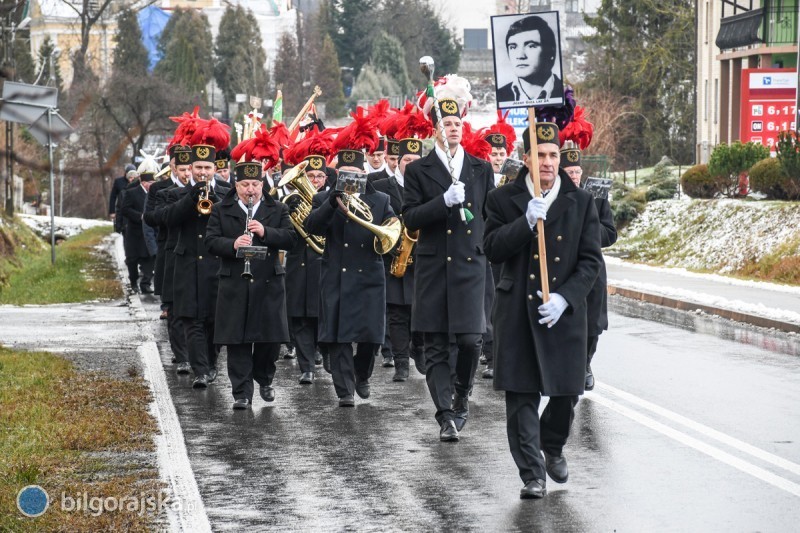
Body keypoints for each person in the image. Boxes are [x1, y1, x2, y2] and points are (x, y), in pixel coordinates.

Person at [483, 123, 602, 499]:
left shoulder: (580, 201)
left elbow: (590, 261)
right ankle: (531, 473)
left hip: (563, 312)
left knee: (566, 392)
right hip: (516, 310)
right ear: (526, 159)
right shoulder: (504, 199)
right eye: (540, 155)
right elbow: (492, 249)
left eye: (553, 155)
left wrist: (566, 297)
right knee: (521, 395)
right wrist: (524, 222)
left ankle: (552, 445)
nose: (548, 162)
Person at [402, 97, 495, 442]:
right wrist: (442, 203)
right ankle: (445, 416)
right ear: (436, 130)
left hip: (471, 267)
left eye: (458, 124)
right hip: (434, 267)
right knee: (437, 345)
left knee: (471, 341)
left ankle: (461, 394)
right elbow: (410, 218)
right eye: (447, 124)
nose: (453, 128)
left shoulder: (481, 169)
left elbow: (493, 216)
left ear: (463, 128)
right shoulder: (418, 171)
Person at [305, 135, 396, 407]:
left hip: (369, 275)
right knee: (339, 335)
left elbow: (390, 232)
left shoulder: (380, 199)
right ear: (338, 175)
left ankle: (362, 374)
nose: (351, 180)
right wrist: (332, 203)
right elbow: (313, 227)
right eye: (345, 175)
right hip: (337, 275)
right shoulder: (324, 197)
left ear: (364, 174)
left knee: (370, 336)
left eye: (355, 175)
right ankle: (344, 391)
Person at [205, 157, 297, 409]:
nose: (251, 190)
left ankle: (265, 379)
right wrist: (232, 244)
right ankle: (241, 393)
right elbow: (210, 241)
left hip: (268, 285)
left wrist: (265, 232)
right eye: (245, 184)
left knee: (269, 341)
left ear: (262, 185)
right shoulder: (220, 209)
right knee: (238, 341)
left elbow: (290, 239)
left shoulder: (277, 209)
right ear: (236, 185)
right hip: (235, 283)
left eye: (255, 184)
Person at [166, 119, 231, 389]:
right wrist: (191, 197)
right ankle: (200, 370)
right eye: (198, 168)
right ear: (190, 168)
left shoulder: (227, 194)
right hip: (188, 265)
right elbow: (164, 219)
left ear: (215, 169)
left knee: (214, 321)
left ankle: (213, 362)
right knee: (192, 320)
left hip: (217, 265)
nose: (203, 172)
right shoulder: (175, 193)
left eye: (207, 168)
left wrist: (216, 204)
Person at [560, 144, 617, 390]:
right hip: (563, 268)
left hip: (591, 267)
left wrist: (588, 228)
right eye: (569, 172)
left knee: (593, 322)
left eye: (577, 171)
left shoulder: (596, 197)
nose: (574, 176)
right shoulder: (556, 197)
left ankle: (585, 363)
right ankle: (567, 365)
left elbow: (610, 233)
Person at [373, 138, 427, 381]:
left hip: (424, 258)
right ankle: (401, 363)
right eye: (407, 160)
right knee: (397, 313)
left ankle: (419, 349)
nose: (411, 164)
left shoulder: (430, 186)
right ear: (397, 163)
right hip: (394, 257)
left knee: (421, 311)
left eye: (416, 160)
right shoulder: (382, 185)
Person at [282, 135, 333, 385]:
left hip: (324, 267)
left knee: (321, 315)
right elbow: (286, 237)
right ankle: (306, 367)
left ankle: (324, 355)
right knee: (300, 318)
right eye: (310, 176)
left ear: (326, 179)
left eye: (319, 177)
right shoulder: (290, 204)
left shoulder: (333, 202)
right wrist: (291, 219)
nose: (314, 181)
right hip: (298, 266)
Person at [144, 145, 193, 375]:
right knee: (174, 308)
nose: (186, 173)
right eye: (182, 168)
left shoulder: (212, 189)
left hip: (198, 255)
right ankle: (181, 356)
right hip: (171, 252)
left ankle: (198, 356)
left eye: (189, 168)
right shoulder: (159, 188)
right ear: (173, 166)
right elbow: (151, 217)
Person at [496, 15, 564, 106]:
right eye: (513, 47)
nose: (520, 56)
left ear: (550, 52)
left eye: (531, 46)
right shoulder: (501, 95)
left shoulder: (564, 93)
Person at [121, 162, 157, 294]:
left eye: (154, 182)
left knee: (149, 258)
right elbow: (125, 210)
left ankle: (145, 284)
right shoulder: (132, 193)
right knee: (133, 259)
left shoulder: (155, 194)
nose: (151, 185)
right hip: (135, 232)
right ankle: (133, 281)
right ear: (143, 182)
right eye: (149, 183)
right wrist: (140, 216)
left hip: (149, 232)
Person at [109, 163, 136, 232]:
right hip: (121, 210)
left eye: (133, 176)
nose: (131, 178)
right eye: (130, 176)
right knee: (124, 230)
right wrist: (112, 211)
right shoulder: (119, 182)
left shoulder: (137, 183)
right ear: (126, 173)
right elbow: (113, 196)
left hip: (134, 210)